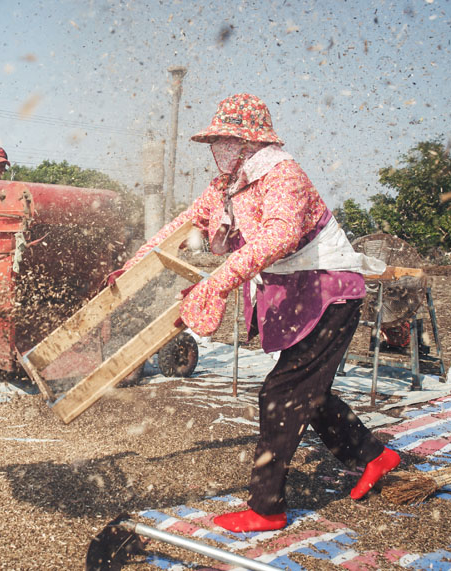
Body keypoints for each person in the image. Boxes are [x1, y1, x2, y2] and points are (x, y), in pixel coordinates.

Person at [114, 94, 400, 532]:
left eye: (228, 141)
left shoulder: (283, 174)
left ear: (251, 143)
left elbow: (280, 237)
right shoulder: (226, 185)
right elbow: (184, 225)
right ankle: (373, 456)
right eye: (218, 142)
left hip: (330, 292)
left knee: (281, 393)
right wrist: (133, 265)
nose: (220, 150)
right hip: (300, 291)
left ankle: (267, 509)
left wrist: (217, 283)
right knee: (309, 391)